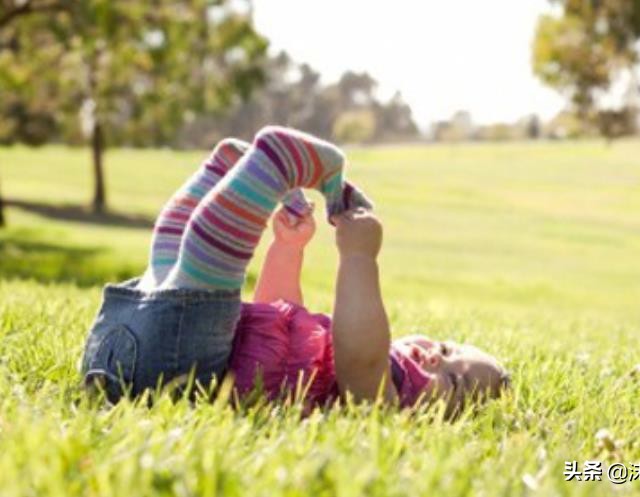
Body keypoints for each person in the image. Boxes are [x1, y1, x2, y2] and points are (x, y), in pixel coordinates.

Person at [80, 126, 508, 413]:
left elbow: (360, 357)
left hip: (170, 367)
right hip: (130, 344)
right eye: (449, 350)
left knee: (204, 273)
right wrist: (288, 249)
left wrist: (359, 258)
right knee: (170, 265)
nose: (436, 357)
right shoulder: (331, 366)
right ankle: (233, 174)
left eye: (453, 382)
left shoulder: (386, 396)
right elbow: (275, 316)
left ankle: (272, 167)